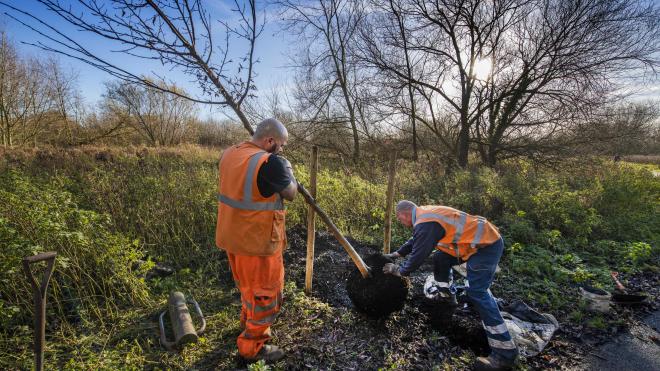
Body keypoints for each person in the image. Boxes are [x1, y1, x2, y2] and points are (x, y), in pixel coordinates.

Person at [383, 200, 518, 371]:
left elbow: (418, 255)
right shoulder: (424, 216)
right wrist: (396, 254)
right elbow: (415, 240)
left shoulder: (425, 222)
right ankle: (447, 297)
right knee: (441, 257)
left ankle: (505, 354)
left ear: (403, 213)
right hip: (467, 245)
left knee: (477, 292)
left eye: (399, 219)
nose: (401, 222)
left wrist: (399, 270)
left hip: (485, 246)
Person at [215, 118, 298, 362]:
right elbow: (290, 193)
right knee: (265, 295)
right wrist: (288, 168)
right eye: (280, 145)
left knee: (248, 288)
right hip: (258, 243)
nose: (281, 149)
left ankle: (246, 323)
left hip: (233, 238)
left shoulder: (231, 153)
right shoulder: (271, 162)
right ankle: (253, 346)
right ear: (270, 141)